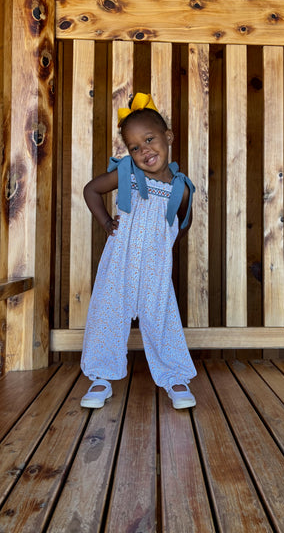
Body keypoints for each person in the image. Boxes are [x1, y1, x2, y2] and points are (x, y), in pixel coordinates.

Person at [80, 93, 197, 410]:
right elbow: (91, 189)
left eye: (150, 139)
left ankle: (175, 377)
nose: (144, 150)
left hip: (155, 268)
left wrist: (166, 246)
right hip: (119, 262)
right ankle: (101, 378)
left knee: (162, 319)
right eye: (134, 147)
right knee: (108, 314)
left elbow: (183, 221)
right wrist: (106, 222)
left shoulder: (180, 187)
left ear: (168, 137)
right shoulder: (127, 174)